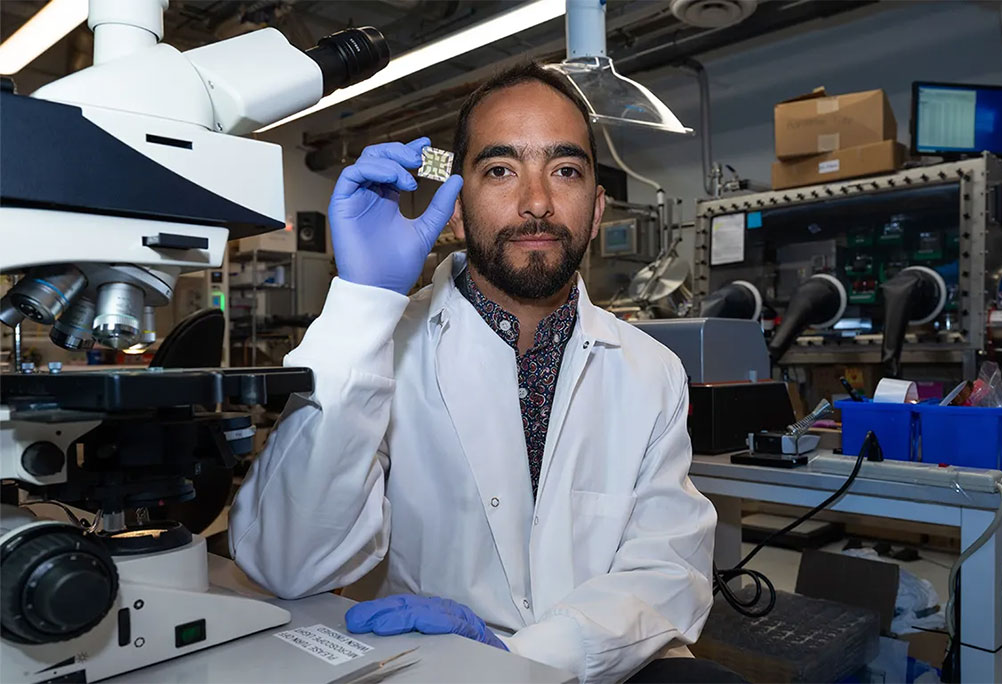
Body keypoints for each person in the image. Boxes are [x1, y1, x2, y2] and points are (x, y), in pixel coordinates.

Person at [230, 62, 736, 683]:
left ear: (597, 209)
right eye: (500, 170)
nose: (537, 202)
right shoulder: (380, 347)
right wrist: (362, 301)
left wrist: (530, 659)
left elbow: (669, 570)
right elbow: (286, 563)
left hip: (594, 666)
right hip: (433, 670)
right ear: (456, 210)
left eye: (566, 170)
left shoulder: (649, 369)